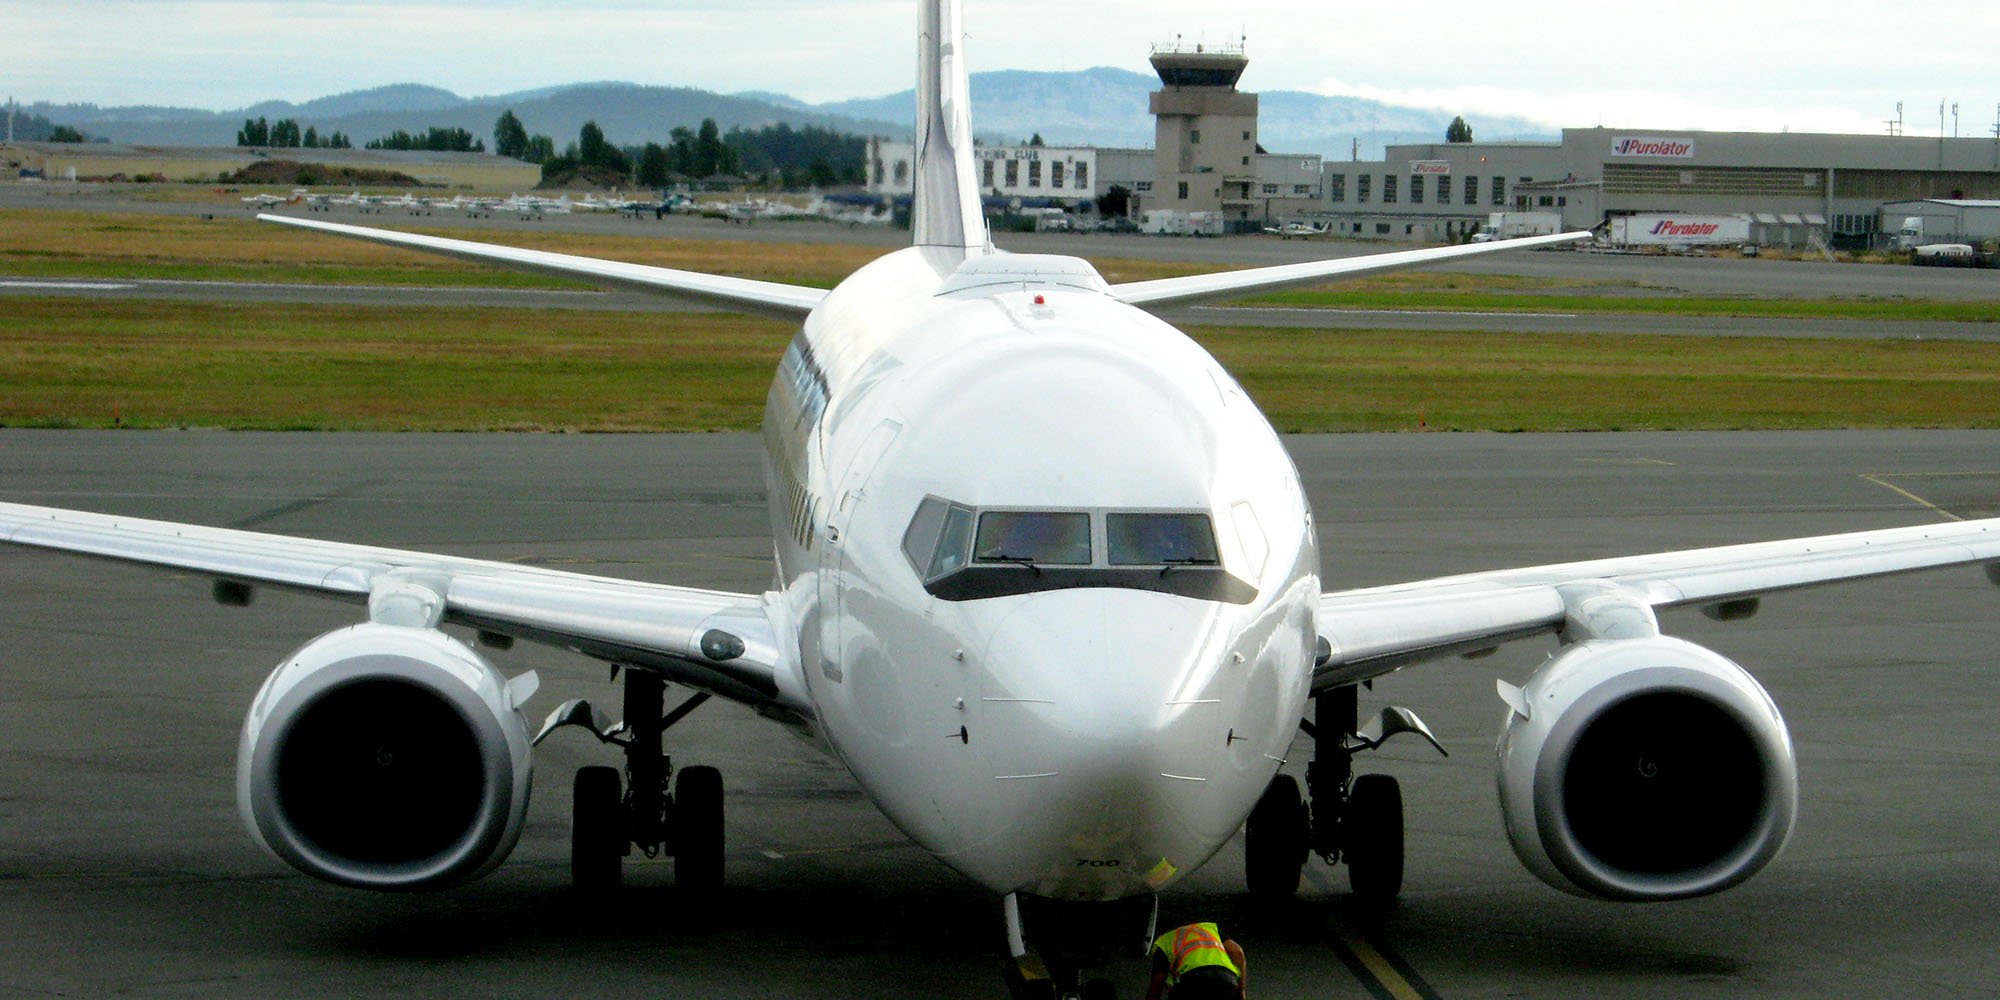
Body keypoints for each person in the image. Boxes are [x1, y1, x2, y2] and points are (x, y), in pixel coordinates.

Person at [1144, 922, 1247, 1000]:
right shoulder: (1209, 929)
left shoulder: (1164, 942)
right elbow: (1237, 952)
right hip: (1226, 980)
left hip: (1192, 981)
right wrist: (1241, 991)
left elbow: (1156, 987)